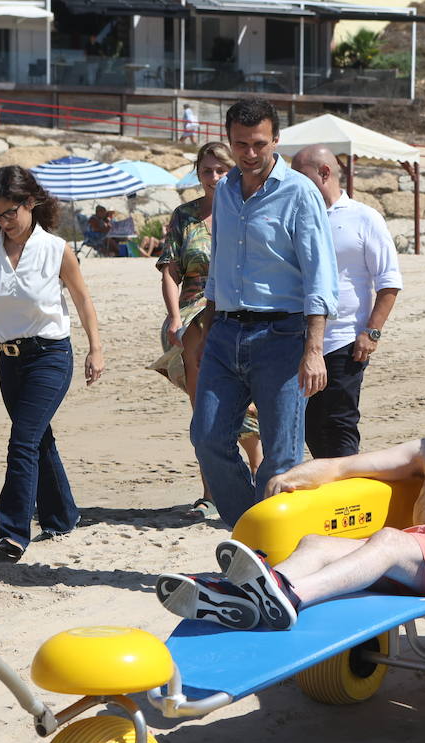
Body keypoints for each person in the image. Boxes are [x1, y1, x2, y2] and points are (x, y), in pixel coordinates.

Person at [156, 345, 425, 629]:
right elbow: (351, 466)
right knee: (315, 544)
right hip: (416, 552)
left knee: (387, 541)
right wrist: (301, 473)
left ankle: (290, 597)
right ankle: (240, 598)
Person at [0, 166, 105, 561]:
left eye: (10, 212)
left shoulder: (56, 249)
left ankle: (11, 533)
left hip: (50, 356)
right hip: (9, 362)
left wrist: (96, 350)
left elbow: (82, 301)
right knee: (38, 439)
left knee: (22, 442)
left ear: (30, 203)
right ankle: (63, 517)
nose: (3, 222)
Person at [191, 97, 340, 527]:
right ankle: (248, 526)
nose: (250, 153)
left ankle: (270, 546)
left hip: (282, 336)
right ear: (229, 141)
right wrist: (206, 331)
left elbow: (320, 277)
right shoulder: (224, 192)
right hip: (225, 332)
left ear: (275, 139)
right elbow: (218, 266)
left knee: (282, 455)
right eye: (241, 144)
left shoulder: (300, 193)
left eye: (259, 143)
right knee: (208, 438)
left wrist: (314, 350)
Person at [149, 141, 263, 519]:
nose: (213, 177)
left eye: (220, 170)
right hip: (194, 316)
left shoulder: (248, 210)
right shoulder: (185, 215)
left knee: (249, 406)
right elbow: (170, 270)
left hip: (240, 314)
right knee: (205, 411)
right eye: (206, 171)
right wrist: (174, 317)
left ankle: (259, 478)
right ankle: (211, 492)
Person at [290, 144, 403, 459]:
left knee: (339, 422)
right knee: (308, 425)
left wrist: (372, 333)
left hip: (345, 340)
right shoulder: (296, 218)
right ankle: (327, 487)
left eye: (300, 176)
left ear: (324, 173)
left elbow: (389, 281)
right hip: (298, 339)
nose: (293, 184)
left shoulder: (364, 218)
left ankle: (346, 493)